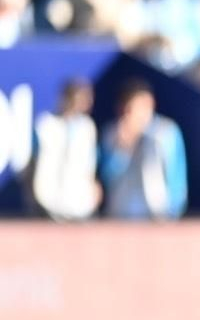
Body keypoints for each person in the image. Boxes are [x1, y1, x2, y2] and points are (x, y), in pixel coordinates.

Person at [98, 80, 188, 220]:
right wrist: (123, 147)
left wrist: (172, 209)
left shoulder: (166, 132)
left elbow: (176, 174)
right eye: (132, 108)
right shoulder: (112, 133)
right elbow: (107, 175)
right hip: (120, 214)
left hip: (158, 214)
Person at [29, 79, 99, 221]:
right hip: (48, 198)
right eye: (79, 97)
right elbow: (33, 160)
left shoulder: (87, 127)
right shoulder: (46, 124)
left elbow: (90, 162)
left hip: (79, 201)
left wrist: (93, 184)